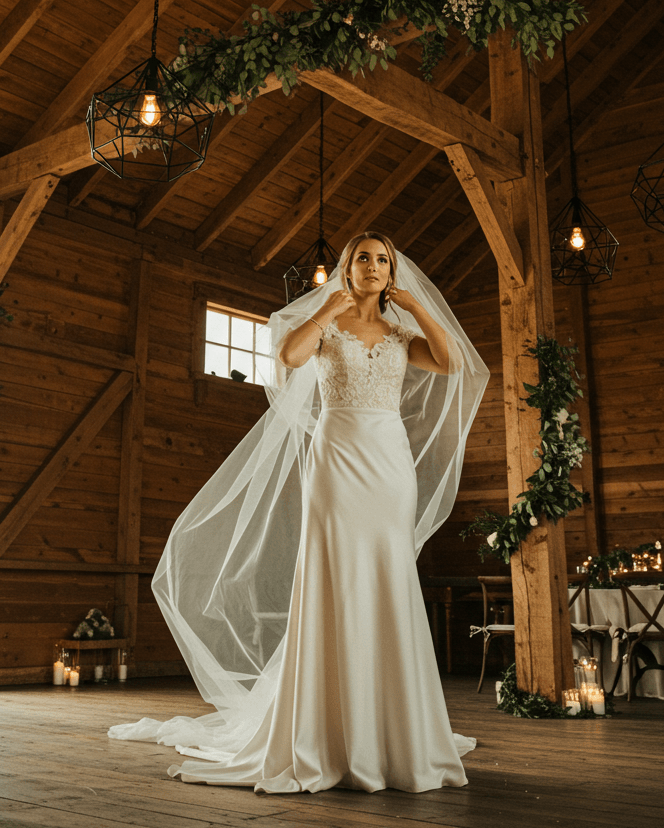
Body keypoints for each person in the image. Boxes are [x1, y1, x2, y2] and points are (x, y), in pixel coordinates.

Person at [110, 231, 490, 794]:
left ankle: (391, 726)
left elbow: (454, 363)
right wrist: (331, 306)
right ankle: (326, 727)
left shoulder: (401, 333)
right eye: (363, 258)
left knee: (387, 574)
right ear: (347, 267)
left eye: (383, 260)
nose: (374, 266)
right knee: (334, 577)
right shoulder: (327, 324)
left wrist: (416, 307)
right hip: (336, 459)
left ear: (392, 272)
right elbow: (288, 357)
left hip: (389, 464)